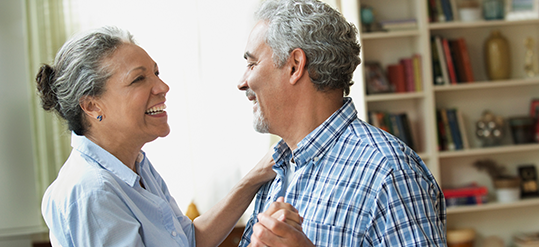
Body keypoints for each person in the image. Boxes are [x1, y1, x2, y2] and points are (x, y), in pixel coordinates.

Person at [37, 26, 278, 247]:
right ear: (92, 106)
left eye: (156, 73)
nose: (162, 87)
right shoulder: (92, 191)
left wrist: (257, 175)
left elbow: (190, 240)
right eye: (138, 79)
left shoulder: (137, 166)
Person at [237, 0, 447, 246]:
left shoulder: (389, 171)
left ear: (295, 66)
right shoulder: (278, 169)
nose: (242, 82)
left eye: (252, 64)